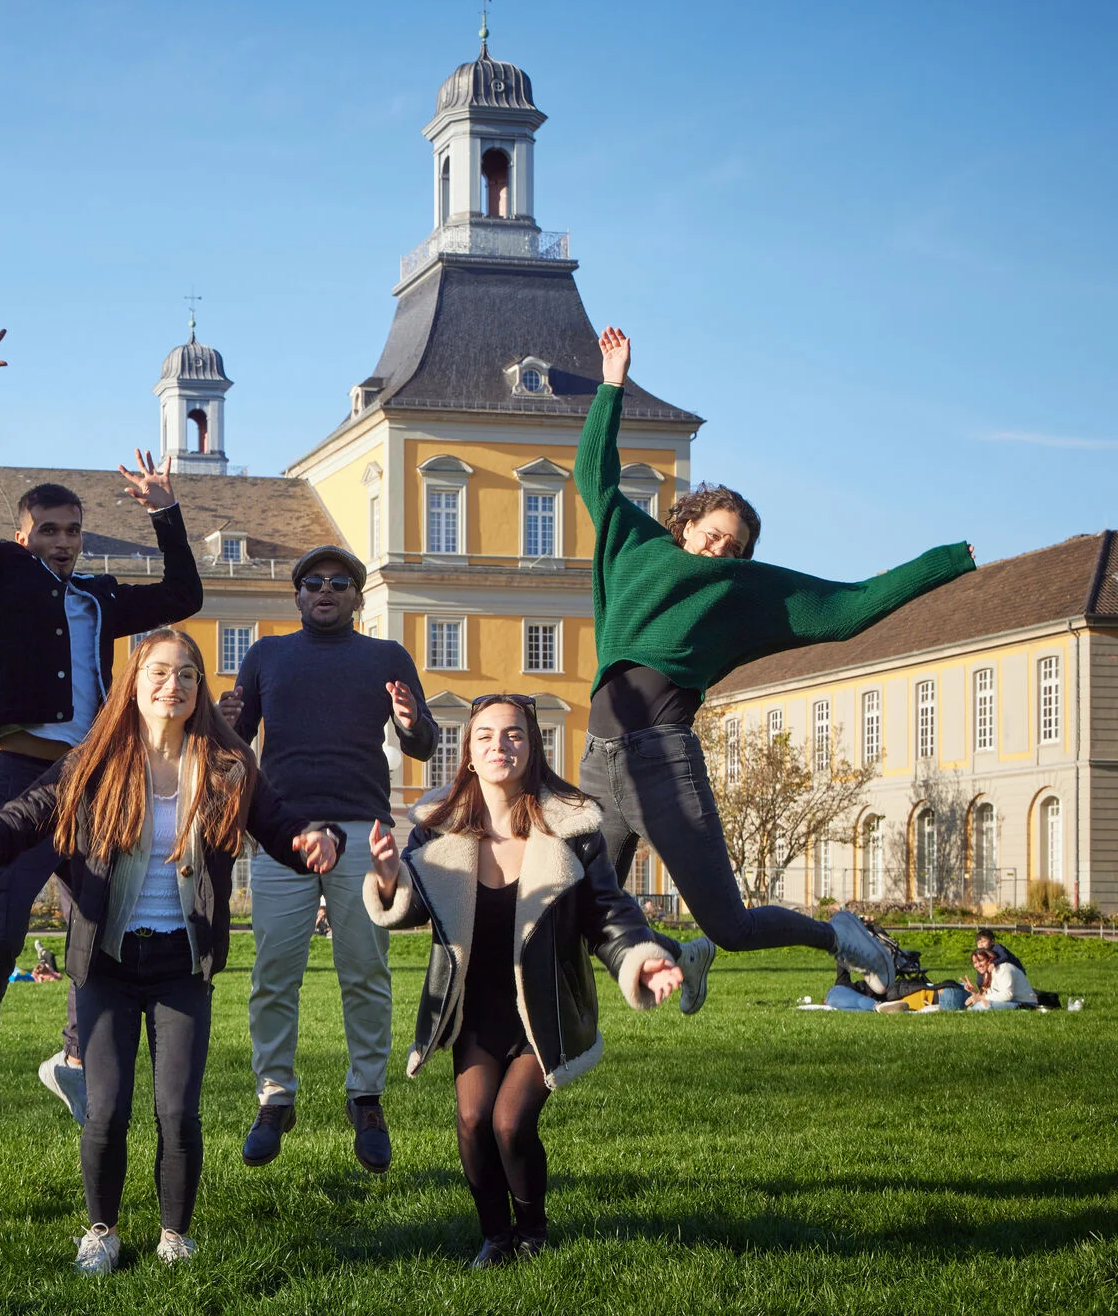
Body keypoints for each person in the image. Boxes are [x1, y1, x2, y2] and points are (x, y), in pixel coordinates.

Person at [575, 327, 976, 1006]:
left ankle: (843, 937)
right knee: (587, 912)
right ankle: (678, 958)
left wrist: (942, 561)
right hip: (598, 758)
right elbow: (594, 472)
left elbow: (844, 609)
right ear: (686, 524)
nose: (719, 553)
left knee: (730, 924)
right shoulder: (633, 543)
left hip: (660, 760)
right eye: (712, 537)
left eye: (734, 548)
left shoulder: (736, 590)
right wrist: (612, 381)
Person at [0, 629, 342, 1274]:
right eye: (157, 672)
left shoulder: (228, 768)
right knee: (106, 1109)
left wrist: (315, 838)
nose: (170, 685)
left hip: (182, 966)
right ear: (133, 683)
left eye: (185, 675)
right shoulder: (95, 761)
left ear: (199, 689)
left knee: (178, 1111)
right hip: (108, 966)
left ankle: (175, 1234)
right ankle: (102, 1230)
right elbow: (26, 815)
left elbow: (283, 826)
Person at [0, 319, 205, 1135]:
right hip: (22, 773)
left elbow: (184, 596)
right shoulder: (3, 579)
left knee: (102, 919)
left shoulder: (101, 594)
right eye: (47, 531)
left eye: (72, 531)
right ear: (23, 536)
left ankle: (75, 1057)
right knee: (4, 929)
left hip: (94, 777)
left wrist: (167, 512)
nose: (61, 542)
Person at [363, 694, 682, 1267]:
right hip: (474, 1012)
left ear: (532, 747)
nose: (498, 746)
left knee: (510, 1122)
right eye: (485, 736)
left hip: (544, 1008)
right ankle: (495, 1235)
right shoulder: (439, 828)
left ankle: (531, 1232)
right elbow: (411, 907)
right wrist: (388, 878)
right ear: (468, 750)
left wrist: (640, 957)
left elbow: (606, 911)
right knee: (471, 1119)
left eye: (512, 735)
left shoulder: (573, 827)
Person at [216, 545, 438, 1175]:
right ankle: (274, 1096)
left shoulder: (385, 657)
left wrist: (410, 718)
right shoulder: (266, 655)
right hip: (284, 832)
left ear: (356, 598)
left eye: (340, 583)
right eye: (314, 582)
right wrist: (228, 720)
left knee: (365, 970)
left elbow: (422, 740)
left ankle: (366, 1097)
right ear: (297, 594)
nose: (326, 590)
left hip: (362, 832)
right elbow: (235, 745)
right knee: (273, 973)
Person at [965, 948, 1037, 1010]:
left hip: (1025, 1003)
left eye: (981, 960)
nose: (978, 965)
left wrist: (981, 998)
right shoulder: (988, 973)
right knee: (977, 1004)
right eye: (975, 962)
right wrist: (974, 992)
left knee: (983, 1005)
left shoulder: (1004, 969)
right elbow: (992, 996)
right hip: (1011, 1002)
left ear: (990, 959)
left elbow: (1007, 995)